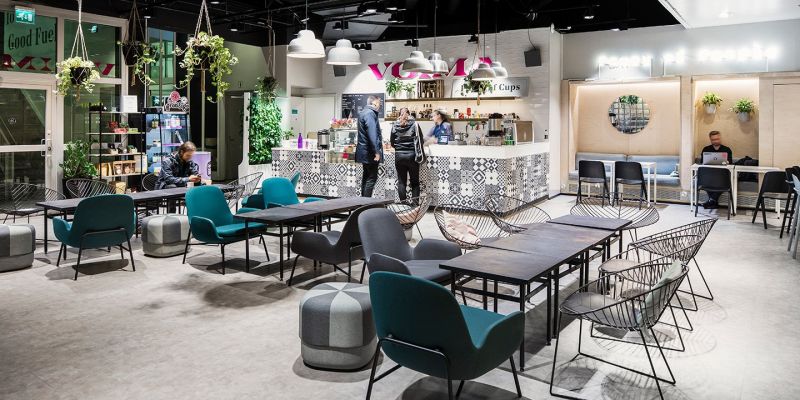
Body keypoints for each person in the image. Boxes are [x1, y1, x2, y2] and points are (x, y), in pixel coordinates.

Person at [390, 107, 424, 201]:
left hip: (399, 156)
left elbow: (392, 142)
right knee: (415, 183)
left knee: (401, 182)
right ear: (409, 114)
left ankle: (403, 205)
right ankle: (415, 205)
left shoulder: (395, 125)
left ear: (399, 114)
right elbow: (420, 140)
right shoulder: (415, 124)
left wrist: (399, 148)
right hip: (412, 156)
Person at [356, 95, 383, 197]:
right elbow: (372, 134)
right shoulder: (370, 113)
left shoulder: (363, 112)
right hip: (370, 152)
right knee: (371, 178)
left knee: (366, 177)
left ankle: (363, 201)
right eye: (379, 103)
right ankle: (366, 203)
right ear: (374, 103)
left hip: (364, 151)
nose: (380, 105)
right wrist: (376, 151)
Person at [700, 130, 734, 209]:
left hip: (722, 175)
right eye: (713, 140)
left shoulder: (727, 149)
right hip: (709, 174)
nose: (715, 141)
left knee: (722, 181)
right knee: (706, 180)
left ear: (720, 138)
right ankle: (713, 202)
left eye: (717, 139)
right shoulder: (706, 149)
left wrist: (727, 162)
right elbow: (702, 162)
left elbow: (730, 163)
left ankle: (711, 200)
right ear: (710, 139)